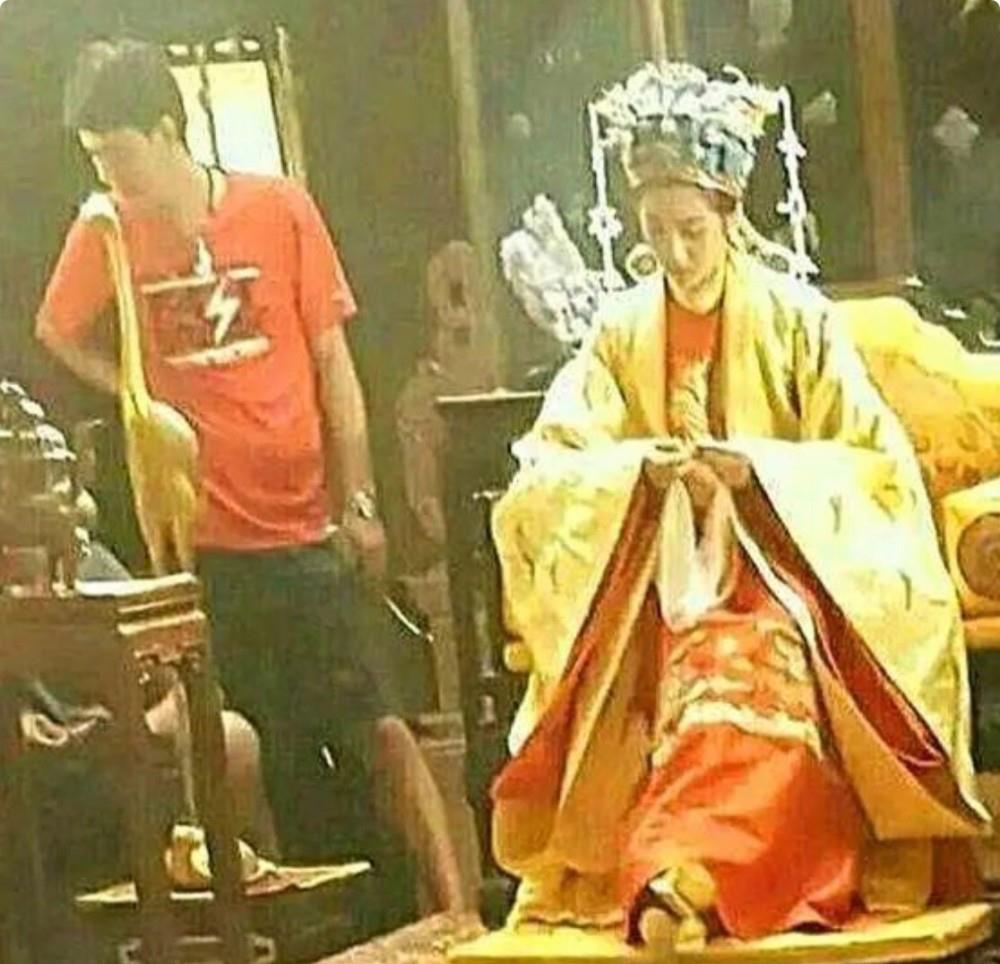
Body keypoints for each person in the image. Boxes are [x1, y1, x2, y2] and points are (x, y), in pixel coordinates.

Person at [489, 62, 990, 951]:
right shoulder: (619, 333)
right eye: (657, 232)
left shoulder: (798, 320)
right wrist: (637, 474)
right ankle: (675, 873)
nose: (676, 253)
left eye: (692, 231)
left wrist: (760, 473)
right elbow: (550, 465)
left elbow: (874, 467)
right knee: (680, 676)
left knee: (749, 677)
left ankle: (712, 876)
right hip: (653, 582)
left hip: (787, 579)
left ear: (729, 217)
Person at [35, 38, 464, 913]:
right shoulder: (106, 232)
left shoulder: (277, 208)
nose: (110, 173)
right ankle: (289, 922)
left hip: (305, 527)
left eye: (118, 151)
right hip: (202, 541)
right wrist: (136, 391)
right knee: (241, 743)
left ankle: (456, 909)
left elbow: (333, 361)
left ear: (166, 130)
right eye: (95, 157)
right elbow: (56, 330)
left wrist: (359, 499)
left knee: (379, 723)